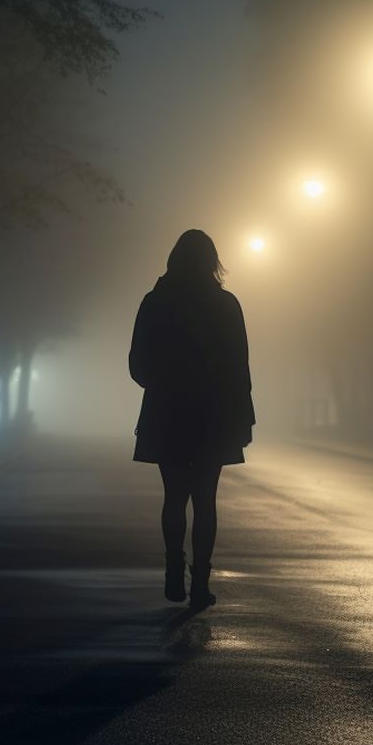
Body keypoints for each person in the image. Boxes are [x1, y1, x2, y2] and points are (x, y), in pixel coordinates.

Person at [129, 229, 255, 607]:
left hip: (168, 413)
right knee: (205, 500)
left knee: (173, 497)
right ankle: (200, 582)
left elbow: (137, 362)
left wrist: (161, 384)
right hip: (213, 416)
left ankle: (173, 569)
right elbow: (239, 367)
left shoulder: (155, 302)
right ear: (211, 261)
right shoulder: (226, 305)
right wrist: (243, 418)